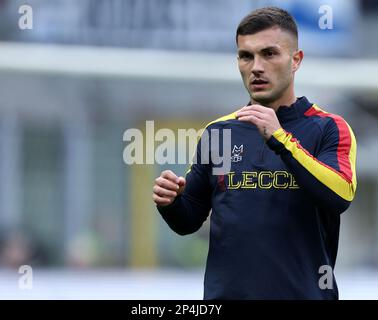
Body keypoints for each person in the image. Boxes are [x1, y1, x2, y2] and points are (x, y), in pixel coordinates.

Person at [152, 7, 357, 299]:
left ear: (296, 60)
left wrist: (280, 139)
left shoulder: (329, 128)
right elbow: (189, 219)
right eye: (246, 56)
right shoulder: (219, 132)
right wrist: (171, 202)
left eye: (269, 54)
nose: (256, 67)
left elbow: (340, 196)